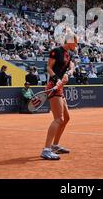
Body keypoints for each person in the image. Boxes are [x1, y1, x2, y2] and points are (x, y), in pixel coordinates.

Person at [41, 32, 77, 160]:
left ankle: (55, 145)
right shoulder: (56, 51)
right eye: (75, 42)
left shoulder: (69, 54)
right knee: (59, 119)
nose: (76, 44)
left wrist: (69, 72)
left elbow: (71, 65)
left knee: (66, 118)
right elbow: (49, 68)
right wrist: (57, 79)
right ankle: (46, 149)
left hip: (60, 88)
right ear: (69, 41)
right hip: (53, 86)